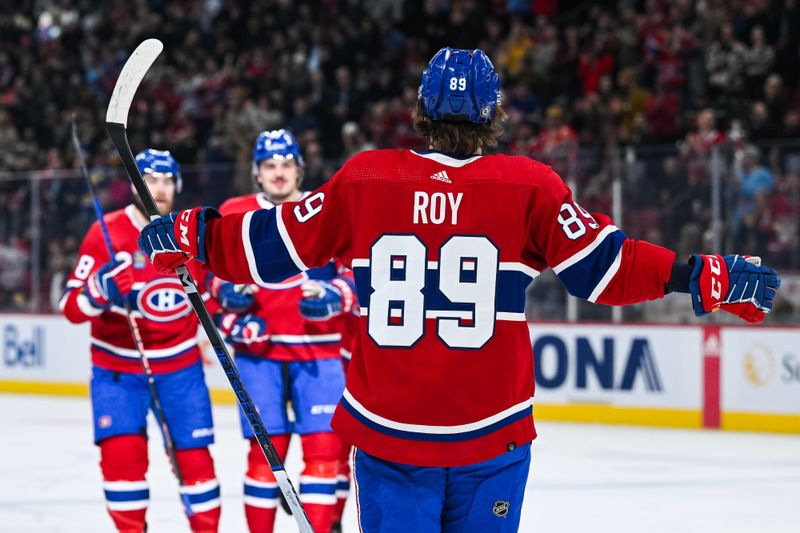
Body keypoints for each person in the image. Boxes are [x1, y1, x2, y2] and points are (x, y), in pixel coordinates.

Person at [138, 49, 781, 532]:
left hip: (391, 439)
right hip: (492, 440)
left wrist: (187, 234)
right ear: (493, 113)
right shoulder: (528, 186)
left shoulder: (367, 180)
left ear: (419, 111)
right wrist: (705, 275)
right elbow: (607, 268)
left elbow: (268, 245)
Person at [61, 150, 221, 533]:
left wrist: (214, 324)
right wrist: (99, 291)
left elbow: (214, 290)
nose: (159, 188)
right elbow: (70, 307)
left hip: (180, 370)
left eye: (167, 180)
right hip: (117, 371)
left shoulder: (188, 232)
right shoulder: (106, 233)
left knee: (196, 466)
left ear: (177, 186)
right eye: (150, 179)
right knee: (122, 465)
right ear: (135, 184)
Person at [207, 129, 355, 533]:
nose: (278, 174)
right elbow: (207, 278)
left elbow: (357, 272)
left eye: (286, 165)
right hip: (260, 355)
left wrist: (333, 295)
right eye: (269, 166)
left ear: (299, 170)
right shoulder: (234, 211)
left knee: (324, 455)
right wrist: (227, 296)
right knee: (262, 459)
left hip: (319, 352)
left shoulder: (323, 209)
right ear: (256, 173)